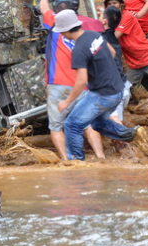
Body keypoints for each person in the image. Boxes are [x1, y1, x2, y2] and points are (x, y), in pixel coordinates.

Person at [52, 9, 142, 161]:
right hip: (118, 89)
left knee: (72, 124)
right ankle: (130, 133)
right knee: (96, 123)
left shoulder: (79, 50)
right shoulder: (93, 35)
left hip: (103, 94)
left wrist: (67, 102)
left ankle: (76, 162)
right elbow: (112, 52)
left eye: (61, 31)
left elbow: (81, 81)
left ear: (66, 30)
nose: (61, 34)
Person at [37, 0, 105, 160]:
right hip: (81, 85)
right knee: (87, 125)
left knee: (56, 127)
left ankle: (67, 161)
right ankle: (100, 157)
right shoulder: (83, 30)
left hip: (58, 84)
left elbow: (43, 7)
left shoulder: (55, 22)